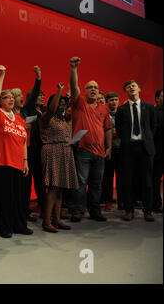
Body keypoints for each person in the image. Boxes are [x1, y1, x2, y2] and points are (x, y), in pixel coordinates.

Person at [0, 65, 33, 238]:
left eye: (11, 98)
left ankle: (19, 225)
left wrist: (25, 161)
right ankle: (5, 227)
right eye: (6, 97)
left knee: (19, 198)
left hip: (17, 163)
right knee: (5, 198)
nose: (10, 100)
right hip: (2, 162)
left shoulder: (19, 119)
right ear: (1, 101)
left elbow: (23, 141)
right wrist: (2, 75)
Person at [68, 57, 112, 222]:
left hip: (100, 153)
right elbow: (73, 86)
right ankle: (78, 211)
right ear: (84, 91)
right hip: (83, 151)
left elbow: (108, 128)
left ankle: (95, 211)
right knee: (81, 182)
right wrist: (74, 69)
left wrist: (109, 148)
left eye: (96, 87)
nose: (93, 89)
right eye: (90, 87)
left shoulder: (104, 108)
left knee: (96, 184)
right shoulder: (79, 103)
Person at [40, 82, 78, 232]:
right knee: (53, 187)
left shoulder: (63, 120)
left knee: (61, 188)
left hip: (65, 152)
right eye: (59, 103)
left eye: (64, 104)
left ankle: (57, 219)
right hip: (52, 151)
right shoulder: (47, 116)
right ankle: (47, 221)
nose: (62, 106)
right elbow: (51, 109)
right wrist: (60, 91)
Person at [115, 80, 156, 222]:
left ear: (139, 89)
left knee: (147, 181)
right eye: (128, 87)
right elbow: (119, 130)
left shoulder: (150, 107)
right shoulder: (121, 110)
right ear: (125, 92)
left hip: (145, 148)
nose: (131, 88)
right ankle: (129, 210)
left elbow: (153, 128)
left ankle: (148, 210)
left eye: (133, 86)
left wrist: (147, 140)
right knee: (128, 180)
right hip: (128, 148)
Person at [22, 66, 45, 221]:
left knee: (41, 181)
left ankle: (44, 208)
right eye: (39, 95)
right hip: (30, 151)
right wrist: (38, 78)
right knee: (27, 182)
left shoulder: (44, 111)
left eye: (43, 96)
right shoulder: (29, 110)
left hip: (42, 150)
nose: (42, 97)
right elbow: (35, 92)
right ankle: (25, 211)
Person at [101, 92, 122, 211]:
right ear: (107, 102)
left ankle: (122, 201)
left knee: (122, 176)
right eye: (111, 100)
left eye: (116, 100)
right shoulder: (104, 114)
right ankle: (107, 201)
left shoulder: (123, 113)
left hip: (121, 149)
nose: (114, 102)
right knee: (107, 177)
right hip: (108, 149)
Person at [152, 89, 163, 213]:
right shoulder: (153, 112)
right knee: (155, 180)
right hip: (157, 152)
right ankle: (156, 204)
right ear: (157, 98)